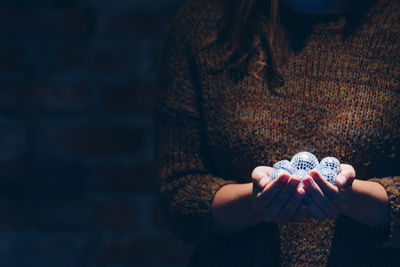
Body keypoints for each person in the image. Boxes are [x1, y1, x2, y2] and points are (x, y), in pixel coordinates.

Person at [154, 0, 400, 265]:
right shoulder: (204, 25)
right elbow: (179, 193)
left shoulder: (391, 25)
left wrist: (349, 198)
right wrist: (256, 203)